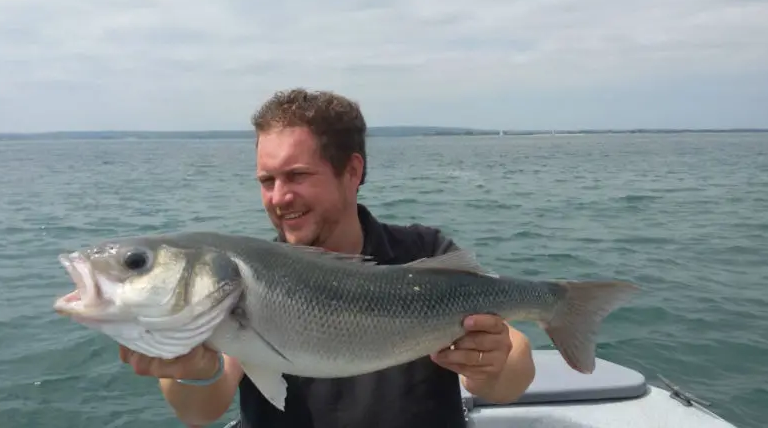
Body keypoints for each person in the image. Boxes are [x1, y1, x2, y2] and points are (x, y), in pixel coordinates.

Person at [119, 88, 536, 427]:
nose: (279, 198)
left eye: (297, 176)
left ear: (352, 172)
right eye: (267, 180)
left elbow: (513, 374)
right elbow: (200, 410)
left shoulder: (424, 256)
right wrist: (192, 371)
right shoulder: (243, 278)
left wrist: (492, 365)